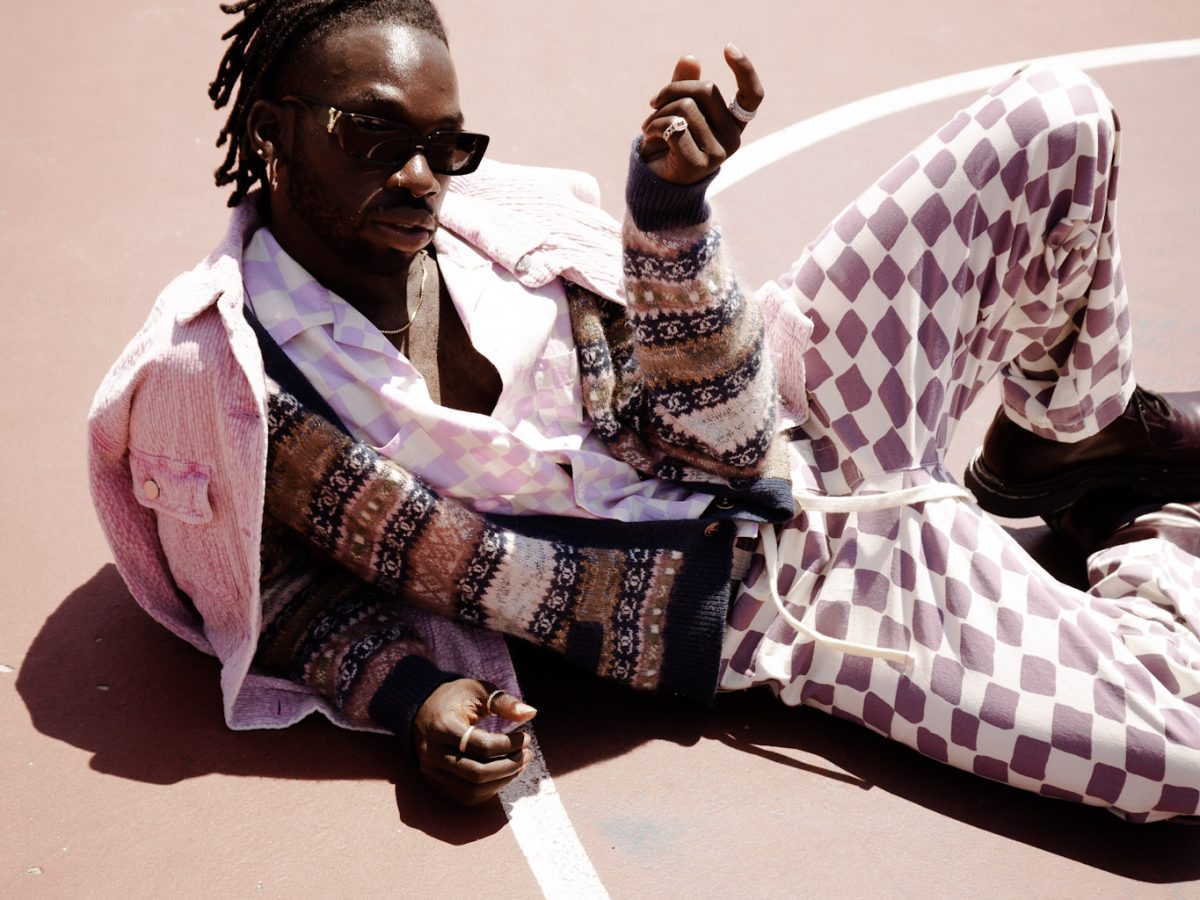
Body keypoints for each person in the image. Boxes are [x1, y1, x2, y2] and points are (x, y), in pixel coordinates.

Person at [88, 0, 1200, 818]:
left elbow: (732, 442)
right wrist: (414, 696)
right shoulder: (224, 382)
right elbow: (270, 592)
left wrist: (669, 219)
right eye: (377, 139)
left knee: (1058, 117)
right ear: (272, 129)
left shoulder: (504, 229)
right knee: (1182, 752)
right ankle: (1155, 536)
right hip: (795, 598)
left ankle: (1062, 444)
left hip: (792, 397)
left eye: (447, 145)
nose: (425, 178)